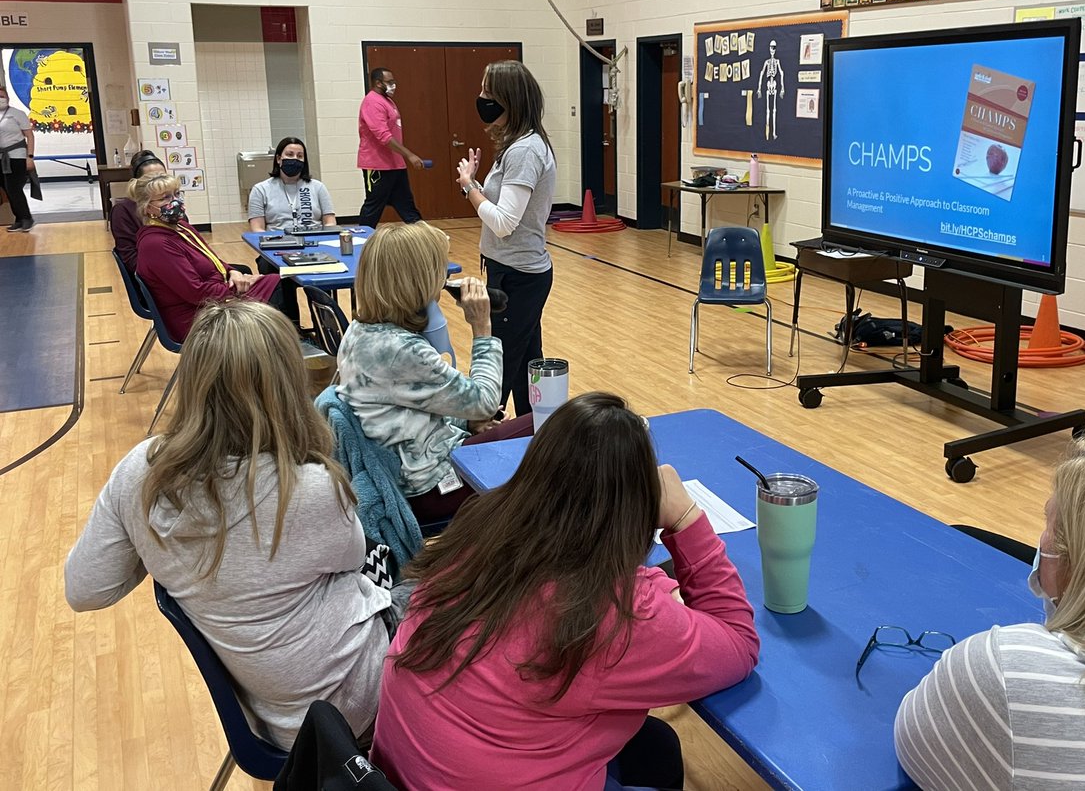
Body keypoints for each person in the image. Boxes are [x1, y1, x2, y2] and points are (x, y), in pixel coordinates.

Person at [64, 300, 411, 749]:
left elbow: (85, 589)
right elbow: (354, 558)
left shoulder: (140, 474)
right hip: (351, 712)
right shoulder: (309, 488)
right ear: (287, 386)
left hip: (268, 718)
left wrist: (156, 547)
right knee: (459, 588)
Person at [371, 391, 760, 790]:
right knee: (653, 748)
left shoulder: (481, 531)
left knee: (654, 744)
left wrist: (649, 587)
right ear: (637, 508)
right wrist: (686, 518)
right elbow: (738, 646)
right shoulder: (604, 618)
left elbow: (585, 576)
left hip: (405, 771)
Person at [895, 434, 1085, 789]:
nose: (1041, 542)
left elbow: (914, 739)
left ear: (1083, 561)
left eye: (1050, 524)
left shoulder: (1003, 670)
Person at [335, 222, 533, 524]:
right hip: (432, 486)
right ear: (418, 280)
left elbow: (409, 406)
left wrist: (467, 420)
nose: (444, 279)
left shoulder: (360, 331)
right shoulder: (400, 349)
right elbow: (485, 399)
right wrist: (482, 329)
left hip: (415, 466)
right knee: (555, 425)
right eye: (440, 272)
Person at [456, 60, 556, 418]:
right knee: (530, 362)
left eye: (488, 93)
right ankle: (538, 430)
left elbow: (503, 222)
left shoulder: (526, 150)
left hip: (520, 276)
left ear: (509, 99)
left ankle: (480, 435)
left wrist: (469, 187)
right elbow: (504, 210)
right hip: (508, 268)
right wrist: (477, 183)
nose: (481, 99)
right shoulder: (515, 145)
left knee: (499, 367)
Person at [133, 173, 281, 339]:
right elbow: (196, 293)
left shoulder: (181, 227)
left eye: (177, 194)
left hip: (210, 304)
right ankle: (279, 347)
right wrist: (237, 287)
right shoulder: (156, 244)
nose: (174, 201)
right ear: (147, 208)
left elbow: (212, 259)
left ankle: (282, 344)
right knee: (275, 283)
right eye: (164, 198)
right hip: (195, 319)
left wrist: (233, 272)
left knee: (276, 280)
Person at [248, 136, 336, 326]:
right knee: (279, 277)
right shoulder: (261, 189)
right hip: (278, 249)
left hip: (314, 248)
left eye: (299, 155)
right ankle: (292, 330)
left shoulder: (317, 187)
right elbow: (257, 229)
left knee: (321, 285)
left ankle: (327, 331)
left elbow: (329, 221)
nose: (294, 159)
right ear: (279, 158)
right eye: (289, 154)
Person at [357, 67, 425, 227]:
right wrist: (409, 154)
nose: (393, 85)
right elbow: (383, 136)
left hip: (395, 164)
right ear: (378, 82)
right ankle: (361, 241)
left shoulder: (388, 101)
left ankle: (424, 237)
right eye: (390, 82)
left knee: (406, 204)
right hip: (377, 165)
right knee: (374, 206)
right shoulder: (372, 102)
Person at [111, 150, 167, 274]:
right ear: (138, 183)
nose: (159, 183)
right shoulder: (123, 211)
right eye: (151, 179)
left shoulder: (172, 206)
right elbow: (131, 260)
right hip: (158, 276)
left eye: (163, 177)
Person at [0, 85, 36, 232]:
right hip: (1, 157)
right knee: (7, 189)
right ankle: (19, 219)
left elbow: (30, 136)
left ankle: (27, 217)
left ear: (7, 98)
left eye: (2, 97)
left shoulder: (17, 114)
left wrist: (30, 156)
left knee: (14, 187)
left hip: (17, 156)